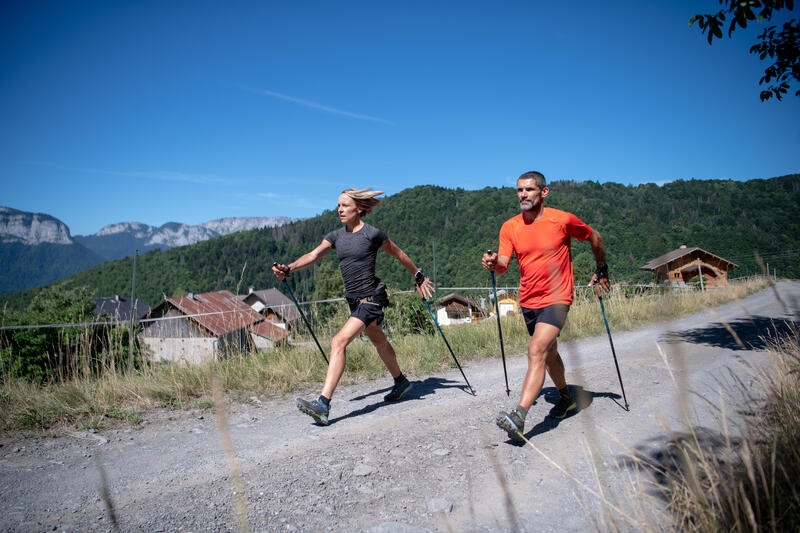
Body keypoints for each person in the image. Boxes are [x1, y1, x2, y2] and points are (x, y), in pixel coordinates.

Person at [273, 187, 434, 426]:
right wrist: (290, 267)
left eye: (345, 205)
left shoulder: (372, 234)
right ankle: (401, 381)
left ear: (358, 208)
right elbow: (314, 255)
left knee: (338, 341)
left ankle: (323, 404)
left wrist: (418, 275)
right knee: (379, 340)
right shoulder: (336, 236)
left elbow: (399, 254)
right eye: (338, 205)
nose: (339, 209)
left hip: (372, 298)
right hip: (353, 300)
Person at [482, 171, 610, 442]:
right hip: (528, 300)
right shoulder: (510, 226)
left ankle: (518, 416)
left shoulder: (562, 220)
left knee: (536, 350)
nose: (523, 195)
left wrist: (602, 268)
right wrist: (494, 263)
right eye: (519, 190)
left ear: (544, 192)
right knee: (548, 353)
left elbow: (594, 237)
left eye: (528, 189)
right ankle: (566, 398)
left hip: (558, 297)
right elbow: (504, 266)